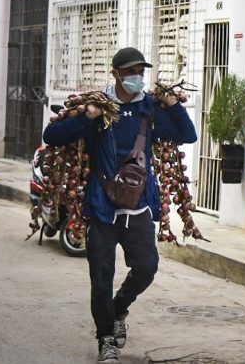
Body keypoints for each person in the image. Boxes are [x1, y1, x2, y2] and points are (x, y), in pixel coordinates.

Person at [43, 47, 197, 363]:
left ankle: (119, 309)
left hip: (138, 204)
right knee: (101, 274)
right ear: (116, 74)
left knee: (147, 266)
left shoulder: (151, 109)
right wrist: (86, 117)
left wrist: (172, 104)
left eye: (140, 72)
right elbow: (53, 135)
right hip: (102, 204)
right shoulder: (100, 106)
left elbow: (188, 135)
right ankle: (106, 338)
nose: (136, 77)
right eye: (130, 72)